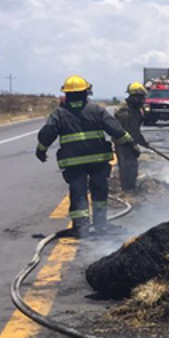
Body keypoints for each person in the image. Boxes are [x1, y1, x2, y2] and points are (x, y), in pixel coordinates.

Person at [36, 75, 133, 237]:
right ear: (86, 93)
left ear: (67, 95)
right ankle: (101, 224)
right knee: (99, 191)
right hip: (98, 161)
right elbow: (115, 129)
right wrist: (129, 142)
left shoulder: (60, 113)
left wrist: (41, 149)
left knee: (78, 192)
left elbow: (47, 133)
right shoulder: (97, 110)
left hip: (73, 163)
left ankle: (81, 226)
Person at [114, 82, 150, 191]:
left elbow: (136, 131)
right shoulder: (124, 111)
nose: (142, 100)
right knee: (127, 168)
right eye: (141, 97)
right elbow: (124, 131)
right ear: (134, 97)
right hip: (123, 144)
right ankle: (127, 191)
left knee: (132, 167)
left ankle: (131, 187)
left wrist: (144, 142)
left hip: (131, 142)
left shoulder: (135, 109)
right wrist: (134, 145)